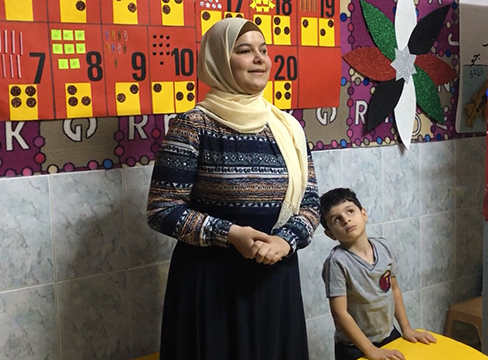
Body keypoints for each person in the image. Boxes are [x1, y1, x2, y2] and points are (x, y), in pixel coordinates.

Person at [147, 17, 320, 360]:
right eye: (244, 51)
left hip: (276, 279)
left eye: (263, 50)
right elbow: (162, 210)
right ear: (219, 61)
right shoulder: (193, 125)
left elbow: (310, 202)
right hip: (212, 286)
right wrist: (231, 234)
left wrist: (286, 240)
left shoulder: (287, 128)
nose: (259, 59)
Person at [320, 188, 436, 360]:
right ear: (330, 234)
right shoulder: (337, 262)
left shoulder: (384, 247)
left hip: (389, 336)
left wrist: (406, 328)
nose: (346, 220)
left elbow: (394, 289)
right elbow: (340, 313)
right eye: (337, 219)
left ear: (363, 214)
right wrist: (371, 351)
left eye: (350, 211)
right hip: (354, 347)